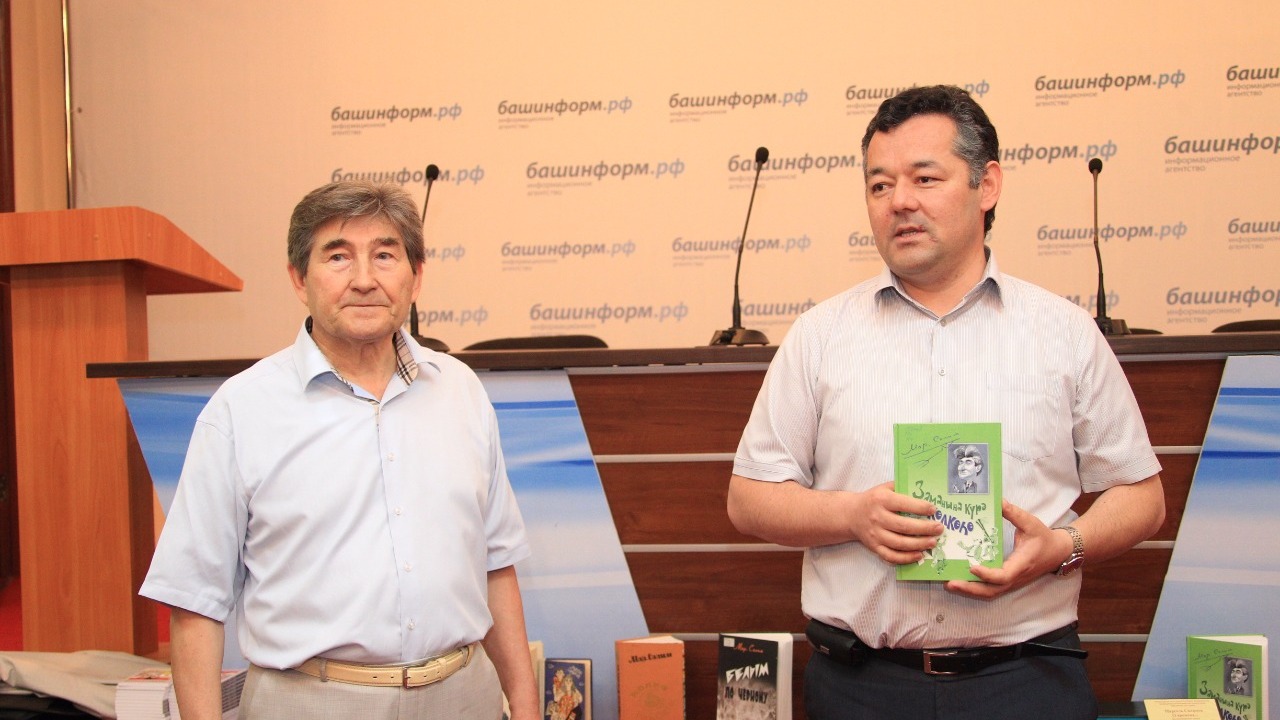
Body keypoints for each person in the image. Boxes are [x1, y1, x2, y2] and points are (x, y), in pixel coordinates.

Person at [726, 85, 1165, 720]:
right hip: (862, 688)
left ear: (987, 185)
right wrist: (852, 516)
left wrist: (1064, 545)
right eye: (879, 185)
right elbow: (748, 498)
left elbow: (1141, 496)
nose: (899, 201)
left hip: (1025, 683)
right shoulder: (821, 336)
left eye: (924, 178)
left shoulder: (1063, 332)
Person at [140, 180, 539, 720]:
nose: (364, 280)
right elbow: (195, 603)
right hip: (310, 700)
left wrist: (525, 704)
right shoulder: (241, 410)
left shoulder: (461, 391)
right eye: (338, 256)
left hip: (464, 695)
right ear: (298, 279)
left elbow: (497, 566)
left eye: (385, 255)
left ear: (417, 276)